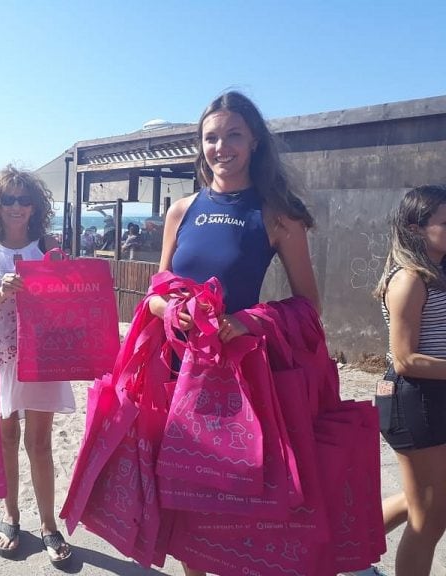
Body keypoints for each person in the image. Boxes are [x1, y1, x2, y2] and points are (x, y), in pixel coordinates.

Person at [148, 91, 321, 576]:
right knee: (183, 496)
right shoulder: (181, 210)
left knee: (227, 501)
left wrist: (248, 320)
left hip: (239, 378)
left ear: (255, 142)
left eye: (233, 135)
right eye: (211, 137)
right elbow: (154, 292)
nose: (221, 146)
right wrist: (171, 310)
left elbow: (309, 305)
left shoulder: (278, 213)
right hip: (177, 372)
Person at [0, 165, 76, 568]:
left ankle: (48, 525)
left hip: (43, 355)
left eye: (24, 199)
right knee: (6, 439)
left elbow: (69, 300)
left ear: (35, 205)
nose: (16, 206)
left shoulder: (48, 244)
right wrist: (1, 291)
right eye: (8, 199)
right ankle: (10, 516)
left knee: (40, 444)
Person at [371, 184, 446, 576]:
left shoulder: (438, 273)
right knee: (429, 520)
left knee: (429, 504)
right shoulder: (410, 280)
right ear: (417, 229)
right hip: (412, 399)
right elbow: (404, 359)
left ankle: (342, 544)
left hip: (434, 396)